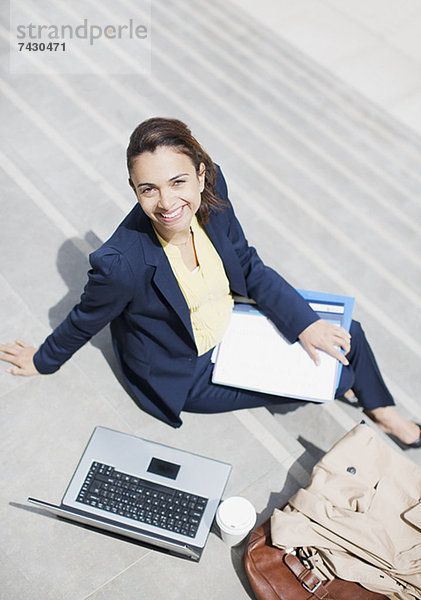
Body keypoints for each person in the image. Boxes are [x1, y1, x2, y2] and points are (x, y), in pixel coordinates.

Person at [1, 117, 420, 447]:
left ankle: (382, 410)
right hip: (189, 369)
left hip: (232, 324)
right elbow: (86, 318)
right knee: (336, 377)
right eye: (148, 189)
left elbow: (248, 264)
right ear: (133, 189)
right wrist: (43, 360)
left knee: (349, 337)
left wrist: (304, 323)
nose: (166, 203)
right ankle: (374, 405)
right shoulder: (120, 264)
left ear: (201, 175)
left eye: (178, 182)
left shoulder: (212, 193)